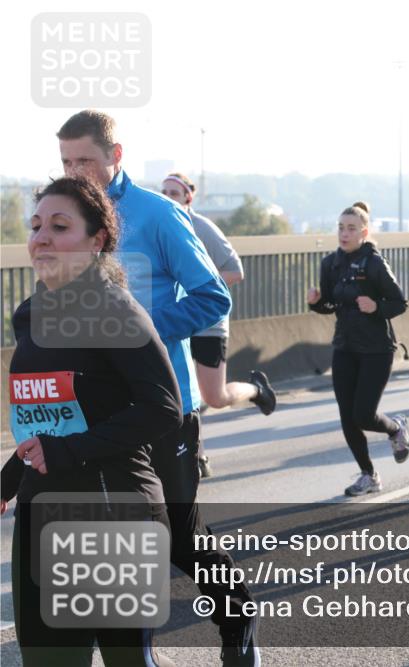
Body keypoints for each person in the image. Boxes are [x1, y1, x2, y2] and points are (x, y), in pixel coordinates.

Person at [57, 110, 260, 666]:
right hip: (95, 410)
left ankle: (238, 620)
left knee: (176, 536)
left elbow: (212, 296)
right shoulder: (63, 220)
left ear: (115, 157)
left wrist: (137, 332)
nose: (76, 172)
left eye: (86, 161)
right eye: (67, 162)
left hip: (162, 402)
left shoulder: (158, 214)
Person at [2, 178, 182, 666]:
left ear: (97, 240)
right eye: (36, 225)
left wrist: (67, 450)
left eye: (59, 227)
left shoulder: (115, 310)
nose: (41, 237)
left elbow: (163, 406)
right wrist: (9, 479)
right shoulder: (30, 314)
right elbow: (43, 418)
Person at [161, 172, 277, 478]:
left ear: (188, 197)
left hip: (208, 322)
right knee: (182, 392)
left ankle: (255, 388)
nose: (168, 196)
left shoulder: (202, 228)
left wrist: (197, 286)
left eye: (174, 192)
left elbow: (235, 272)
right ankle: (197, 455)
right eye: (164, 192)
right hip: (178, 323)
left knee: (214, 397)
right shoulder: (160, 226)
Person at [307, 201, 409, 496]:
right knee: (347, 417)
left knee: (363, 415)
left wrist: (376, 306)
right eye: (341, 227)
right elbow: (330, 305)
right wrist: (315, 303)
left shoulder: (375, 263)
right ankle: (369, 475)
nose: (344, 233)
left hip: (377, 349)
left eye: (351, 228)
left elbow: (399, 303)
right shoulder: (330, 264)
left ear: (364, 232)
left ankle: (395, 428)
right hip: (345, 347)